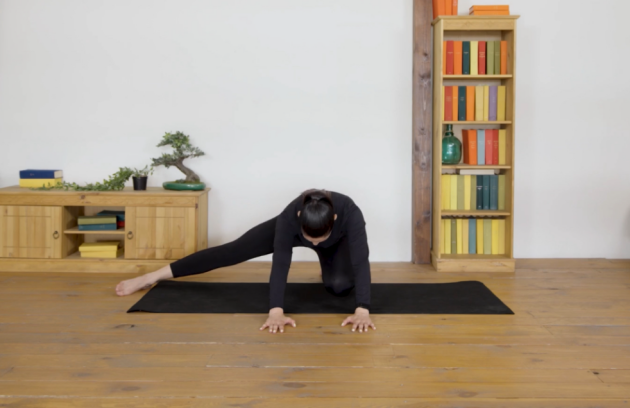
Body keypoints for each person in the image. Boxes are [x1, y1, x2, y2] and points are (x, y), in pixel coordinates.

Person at [115, 189, 375, 334]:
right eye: (310, 239)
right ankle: (152, 276)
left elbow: (361, 263)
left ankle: (329, 265)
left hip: (337, 247)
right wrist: (276, 310)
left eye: (320, 239)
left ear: (336, 219)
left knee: (339, 287)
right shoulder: (288, 218)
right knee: (233, 250)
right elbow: (280, 265)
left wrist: (362, 308)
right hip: (295, 227)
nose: (313, 244)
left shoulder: (351, 214)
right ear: (299, 217)